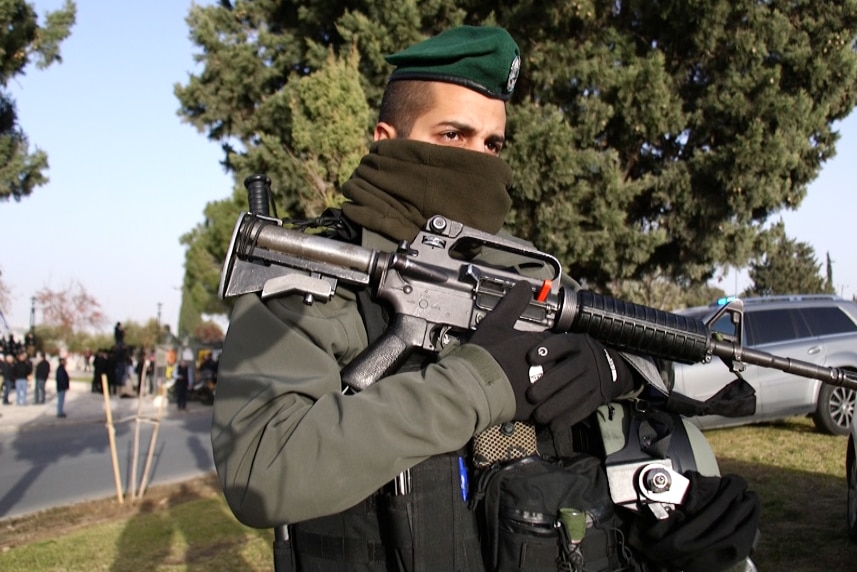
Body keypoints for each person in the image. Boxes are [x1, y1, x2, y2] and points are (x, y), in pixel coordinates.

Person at [212, 26, 759, 572]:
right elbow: (261, 469)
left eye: (492, 144)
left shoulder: (520, 268)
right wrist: (480, 382)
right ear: (386, 138)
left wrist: (613, 368)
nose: (479, 161)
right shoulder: (317, 277)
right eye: (453, 135)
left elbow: (613, 390)